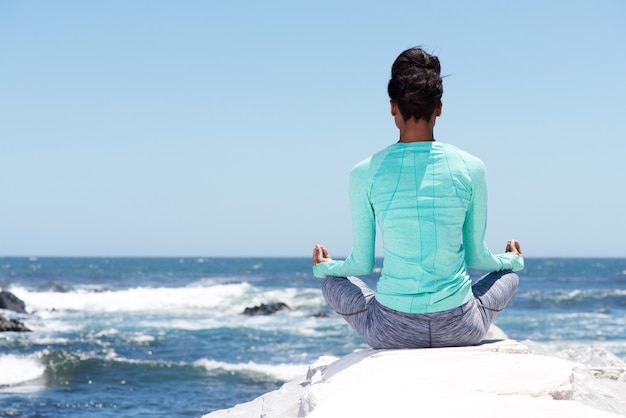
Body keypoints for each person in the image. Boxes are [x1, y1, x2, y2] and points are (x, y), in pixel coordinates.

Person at [311, 47, 524, 349]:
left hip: (391, 330)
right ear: (439, 107)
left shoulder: (364, 172)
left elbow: (361, 263)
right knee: (510, 276)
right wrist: (511, 260)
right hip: (461, 327)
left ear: (392, 107)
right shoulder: (471, 167)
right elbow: (478, 258)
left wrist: (325, 267)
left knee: (333, 282)